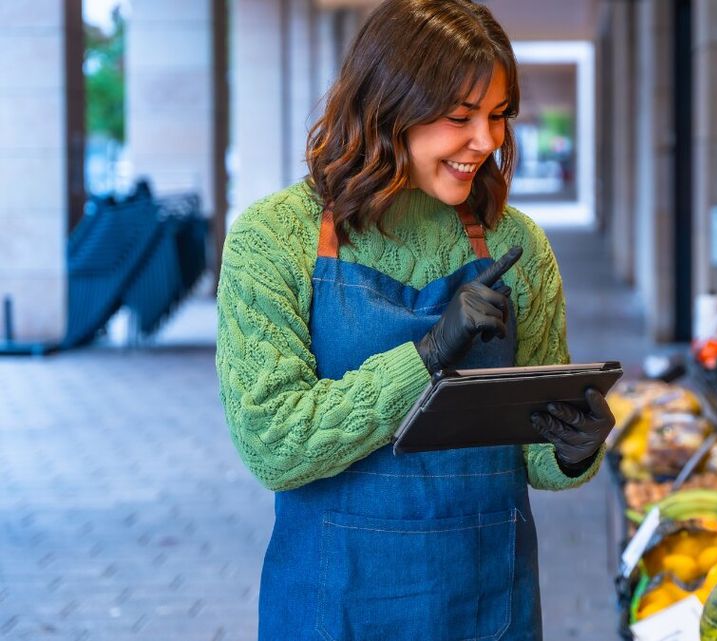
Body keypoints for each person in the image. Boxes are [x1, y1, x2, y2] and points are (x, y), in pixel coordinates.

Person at [214, 1, 615, 638]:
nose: (487, 141)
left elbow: (538, 465)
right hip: (333, 605)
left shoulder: (520, 247)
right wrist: (427, 356)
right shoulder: (273, 239)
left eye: (498, 116)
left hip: (486, 603)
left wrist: (574, 445)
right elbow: (273, 446)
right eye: (461, 117)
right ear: (386, 106)